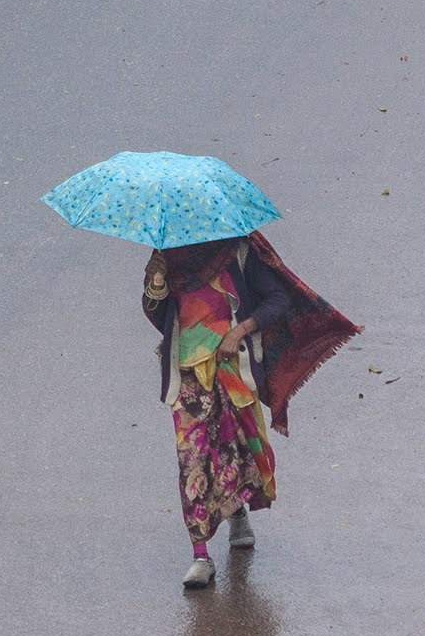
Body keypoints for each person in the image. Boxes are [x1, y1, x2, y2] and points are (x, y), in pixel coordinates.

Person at [141, 232, 359, 589]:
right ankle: (200, 555)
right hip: (187, 376)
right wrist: (157, 283)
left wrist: (239, 331)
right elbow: (160, 316)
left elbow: (277, 299)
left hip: (231, 371)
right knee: (192, 460)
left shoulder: (237, 249)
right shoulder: (166, 254)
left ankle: (237, 512)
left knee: (235, 450)